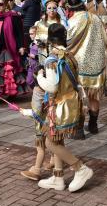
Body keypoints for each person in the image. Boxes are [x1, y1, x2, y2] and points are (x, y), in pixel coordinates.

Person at [31, 23, 94, 192]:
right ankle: (58, 178)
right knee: (57, 138)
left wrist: (39, 76)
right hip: (71, 102)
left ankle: (80, 168)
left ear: (50, 40)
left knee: (50, 143)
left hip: (59, 105)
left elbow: (51, 87)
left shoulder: (52, 59)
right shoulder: (69, 55)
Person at [66, 0, 107, 137]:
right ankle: (93, 125)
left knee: (78, 96)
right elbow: (105, 39)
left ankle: (78, 129)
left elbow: (67, 42)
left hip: (78, 64)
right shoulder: (96, 18)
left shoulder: (72, 21)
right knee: (94, 96)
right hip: (97, 63)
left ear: (70, 8)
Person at [34, 0, 67, 65]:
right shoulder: (40, 24)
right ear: (46, 10)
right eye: (49, 8)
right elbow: (36, 37)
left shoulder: (62, 23)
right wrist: (38, 43)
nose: (52, 10)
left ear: (57, 10)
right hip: (43, 53)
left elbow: (65, 38)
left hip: (58, 54)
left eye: (54, 8)